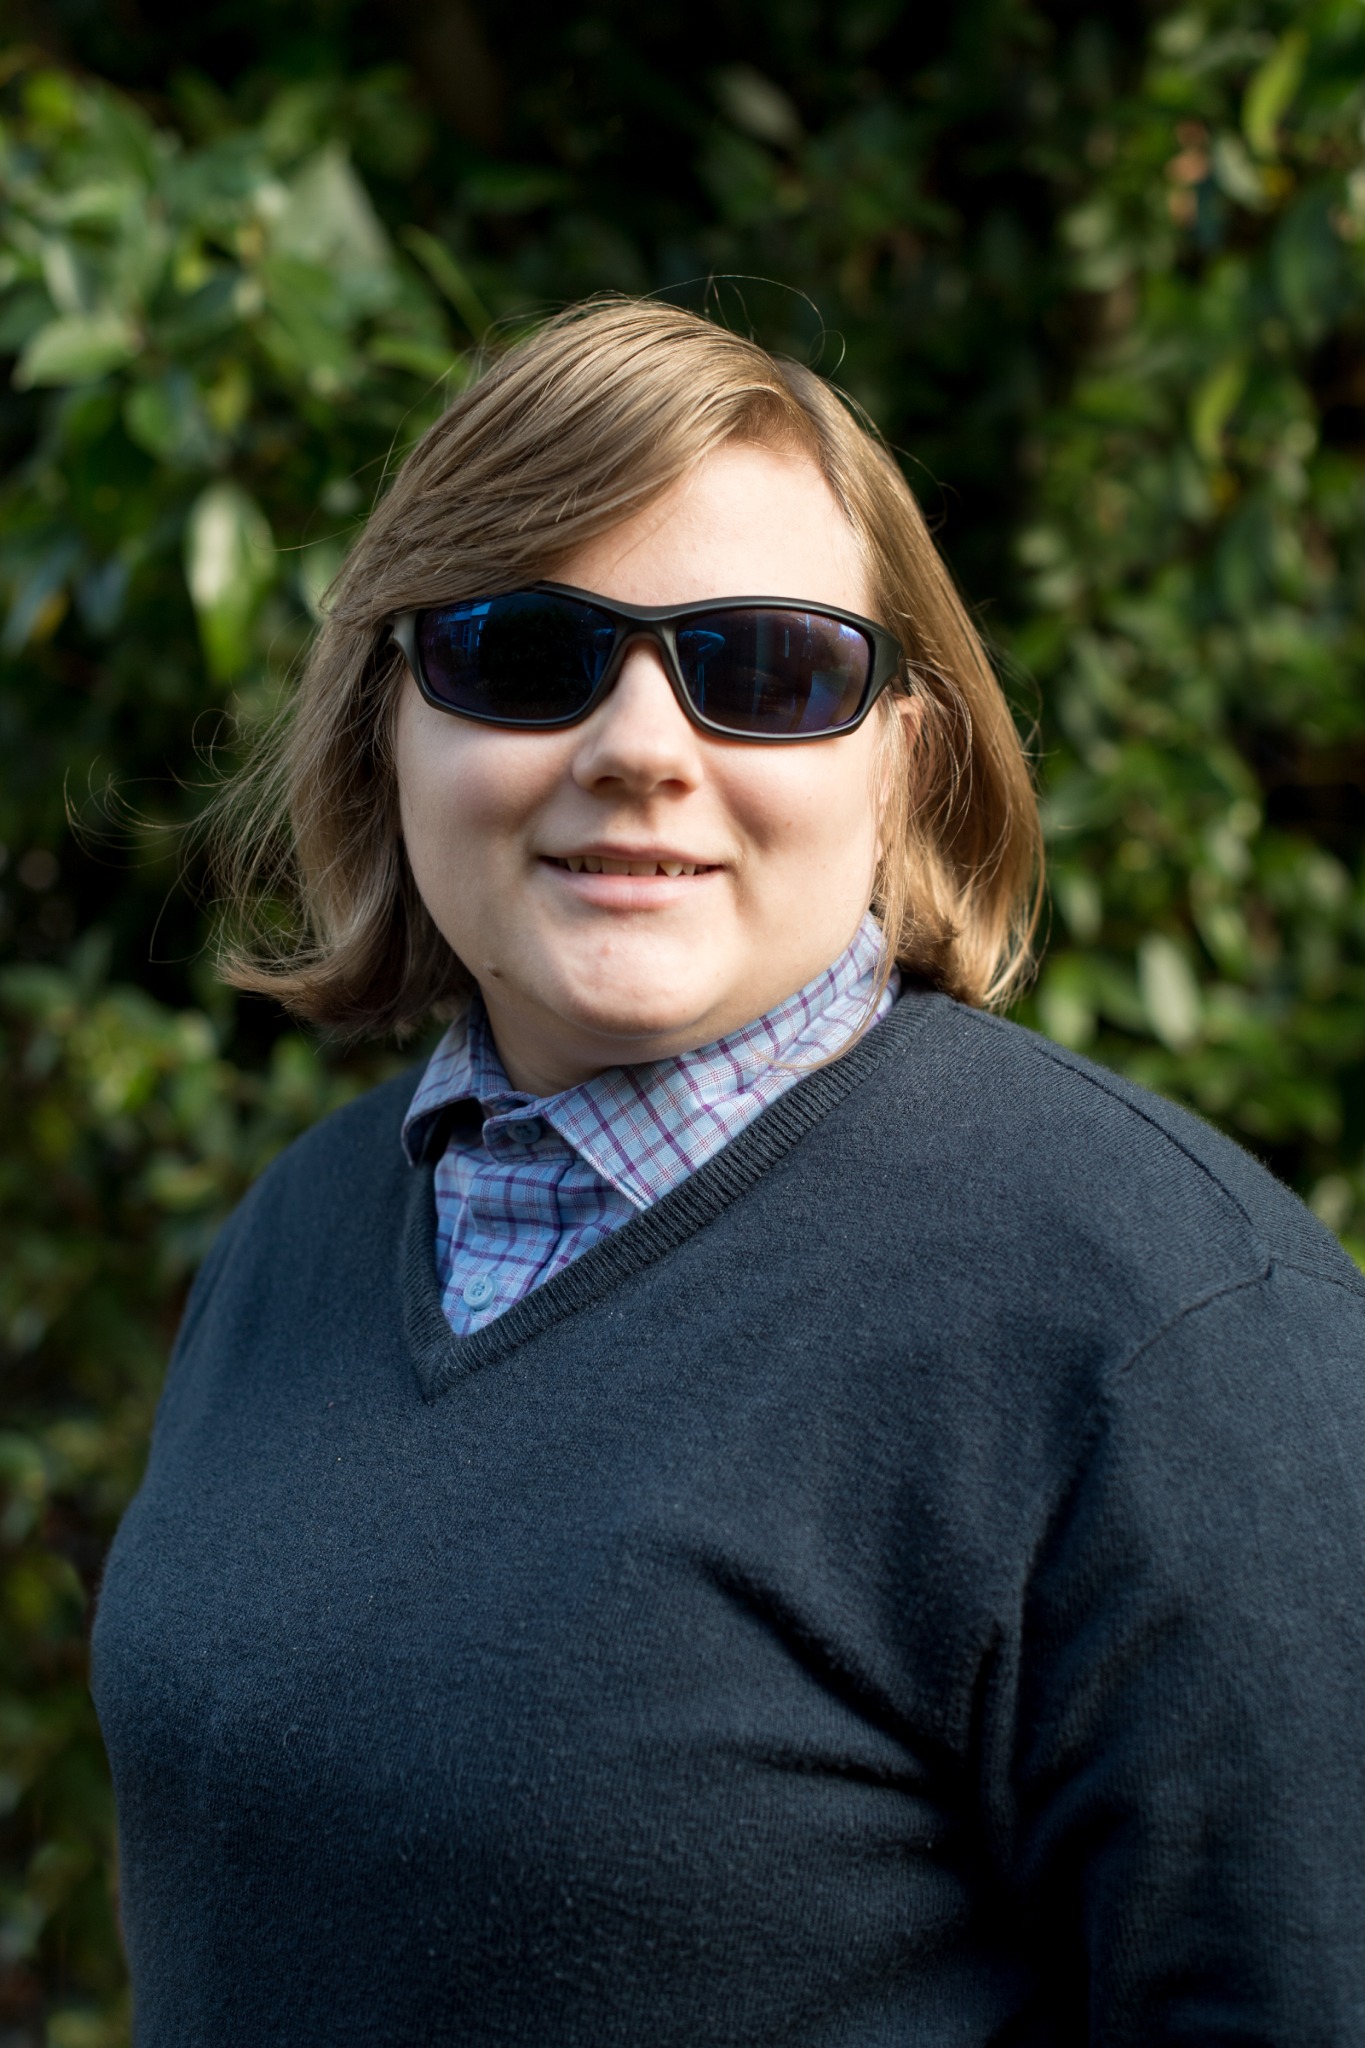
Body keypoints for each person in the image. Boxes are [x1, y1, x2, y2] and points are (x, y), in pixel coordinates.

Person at [91, 298, 1365, 2046]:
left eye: (764, 667)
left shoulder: (1168, 1334)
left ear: (899, 756)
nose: (637, 746)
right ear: (389, 722)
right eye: (523, 652)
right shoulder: (298, 1236)